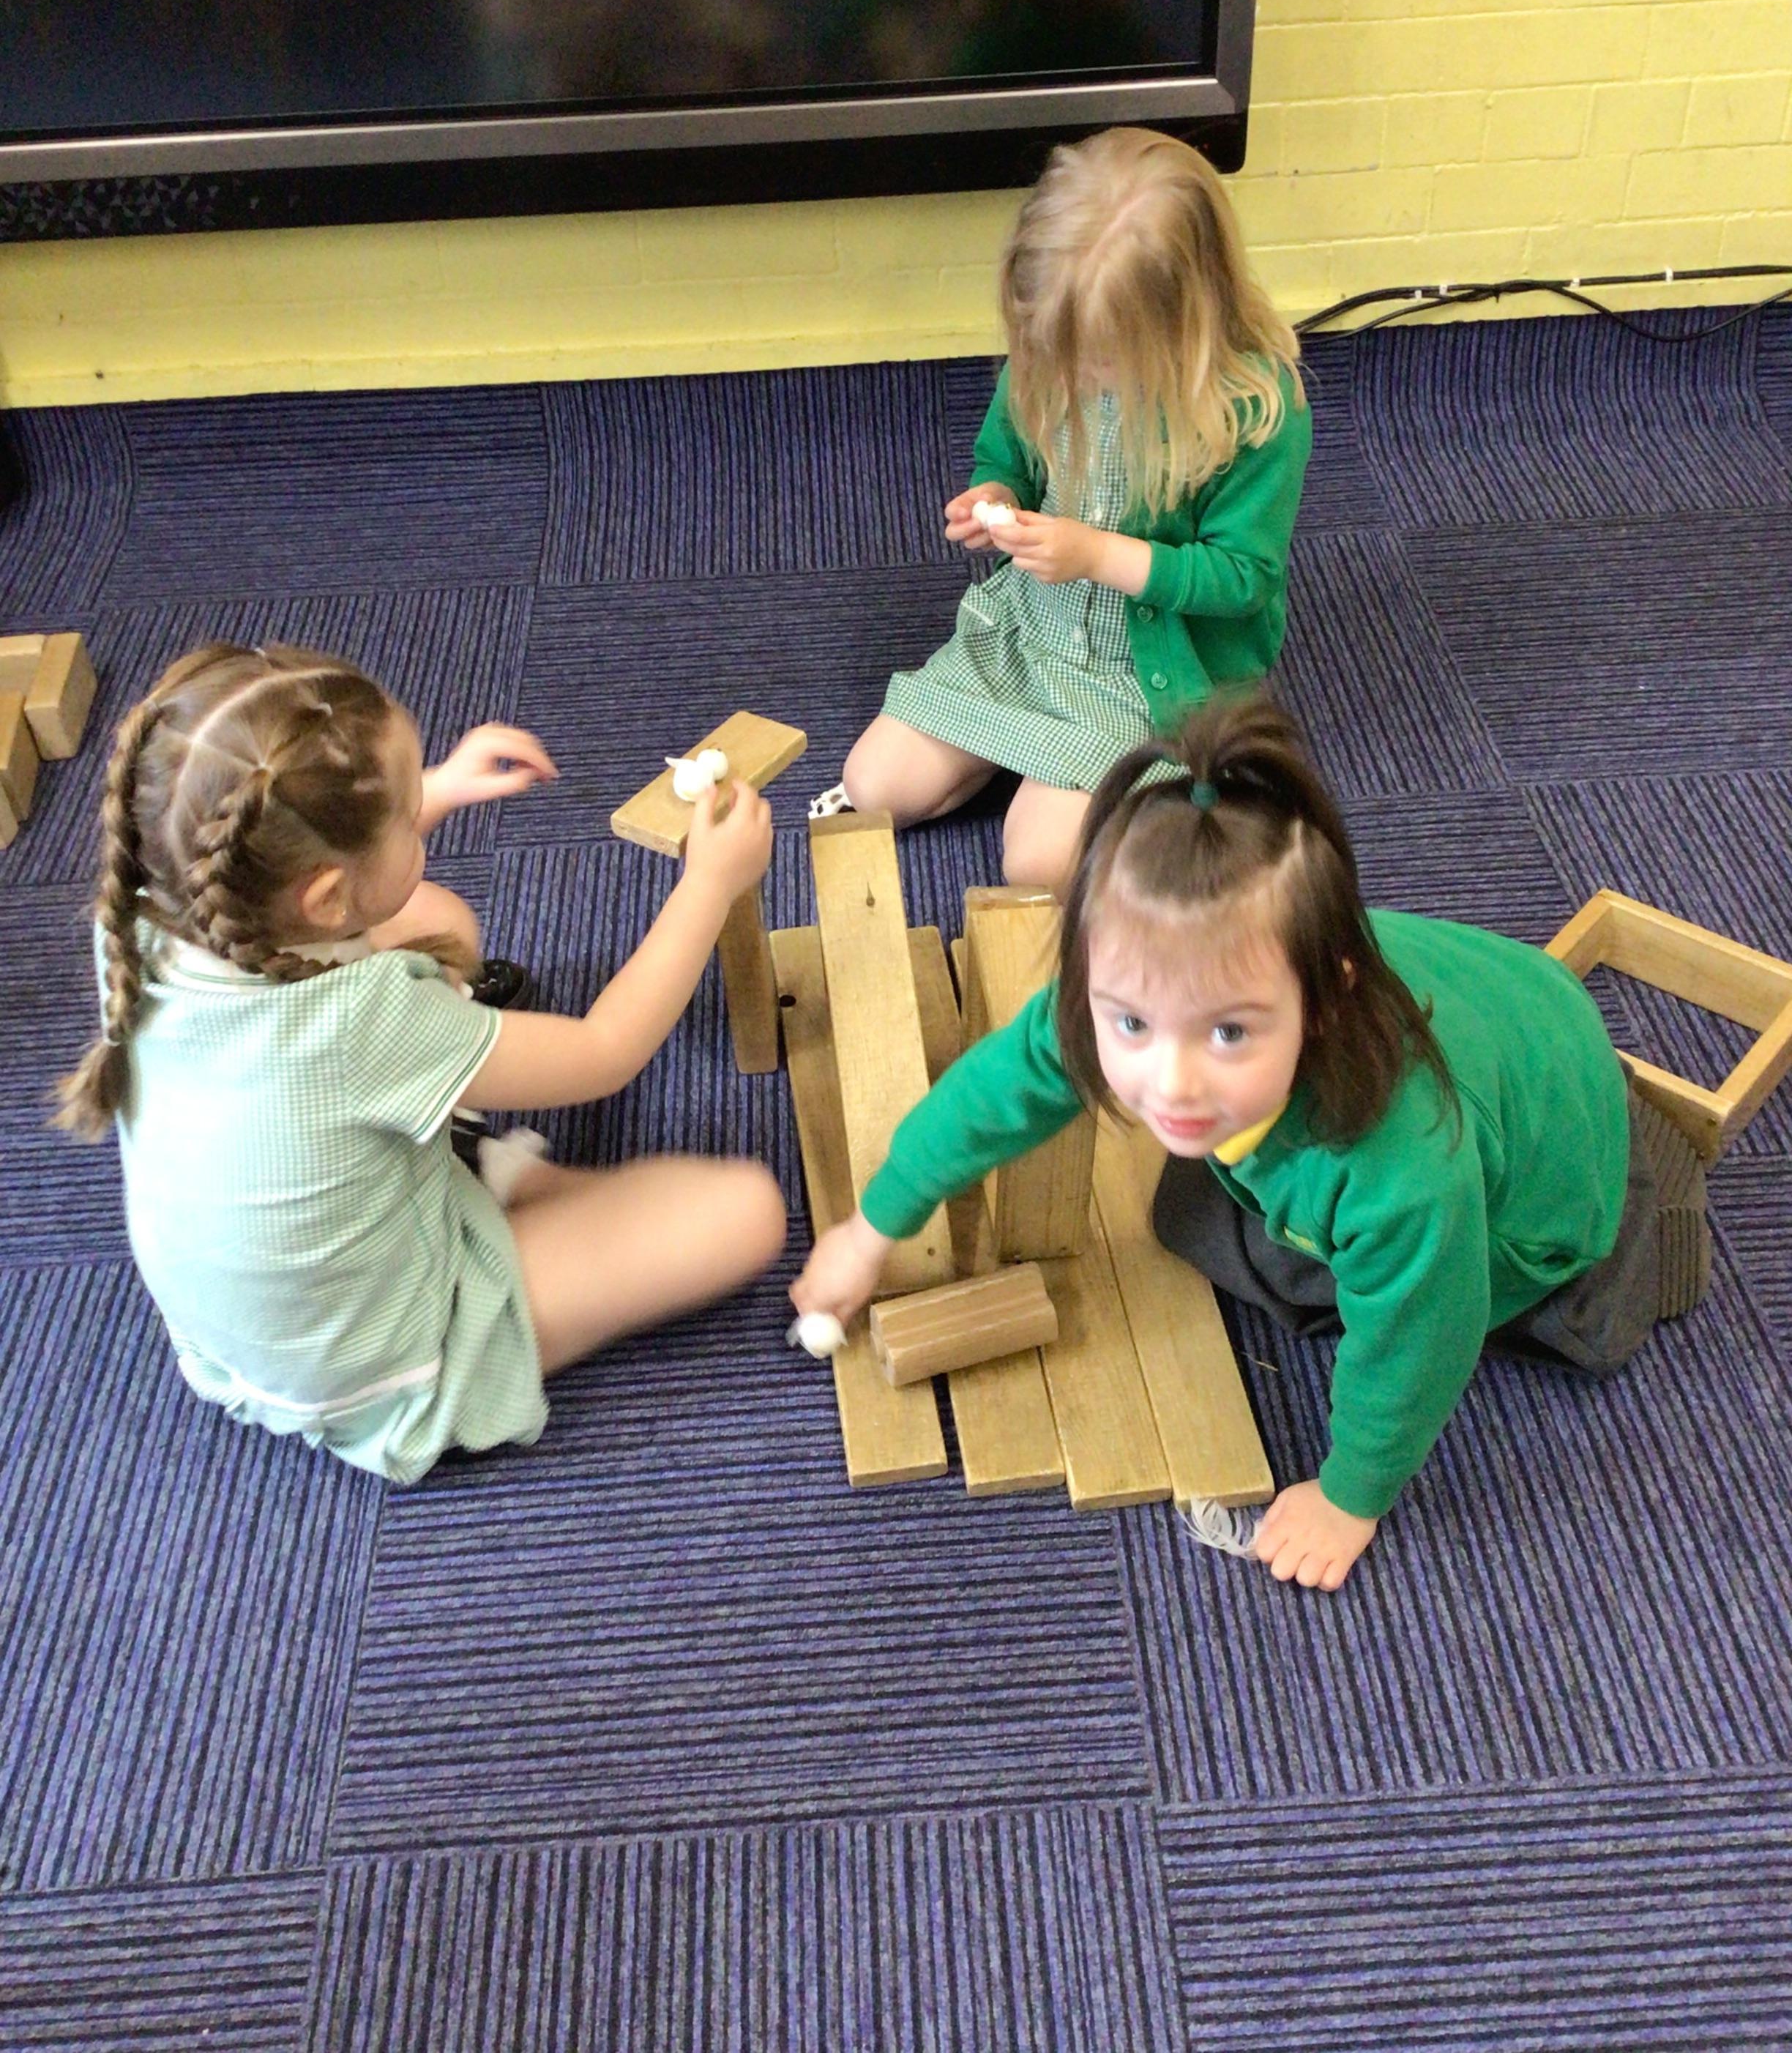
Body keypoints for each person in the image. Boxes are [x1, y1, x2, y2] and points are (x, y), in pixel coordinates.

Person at [794, 690, 1673, 1593]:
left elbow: (1418, 1345)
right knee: (1196, 1205)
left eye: (1226, 1032)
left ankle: (1604, 1266)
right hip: (1513, 1005)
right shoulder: (1158, 973)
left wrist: (1351, 1497)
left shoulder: (1402, 1169)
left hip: (1550, 1177)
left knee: (1320, 1271)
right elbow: (996, 1092)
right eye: (1131, 1024)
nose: (1171, 1082)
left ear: (1323, 1001)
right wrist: (873, 1227)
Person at [55, 641, 786, 1484]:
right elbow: (603, 1052)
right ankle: (493, 1203)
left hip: (247, 1329)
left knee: (436, 924)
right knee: (745, 1212)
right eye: (406, 817)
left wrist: (428, 792)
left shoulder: (142, 914)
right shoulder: (364, 1024)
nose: (421, 815)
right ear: (326, 895)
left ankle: (494, 1184)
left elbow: (313, 876)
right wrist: (708, 886)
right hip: (383, 1360)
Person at [835, 126, 1310, 895]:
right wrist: (997, 496)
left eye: (1104, 358)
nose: (1078, 375)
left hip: (1146, 678)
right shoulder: (1054, 352)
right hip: (1032, 635)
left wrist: (1096, 555)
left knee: (1036, 864)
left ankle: (1088, 774)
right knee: (872, 787)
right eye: (1060, 349)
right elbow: (1008, 456)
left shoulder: (1254, 410)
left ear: (1187, 323)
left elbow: (1243, 578)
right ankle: (1028, 753)